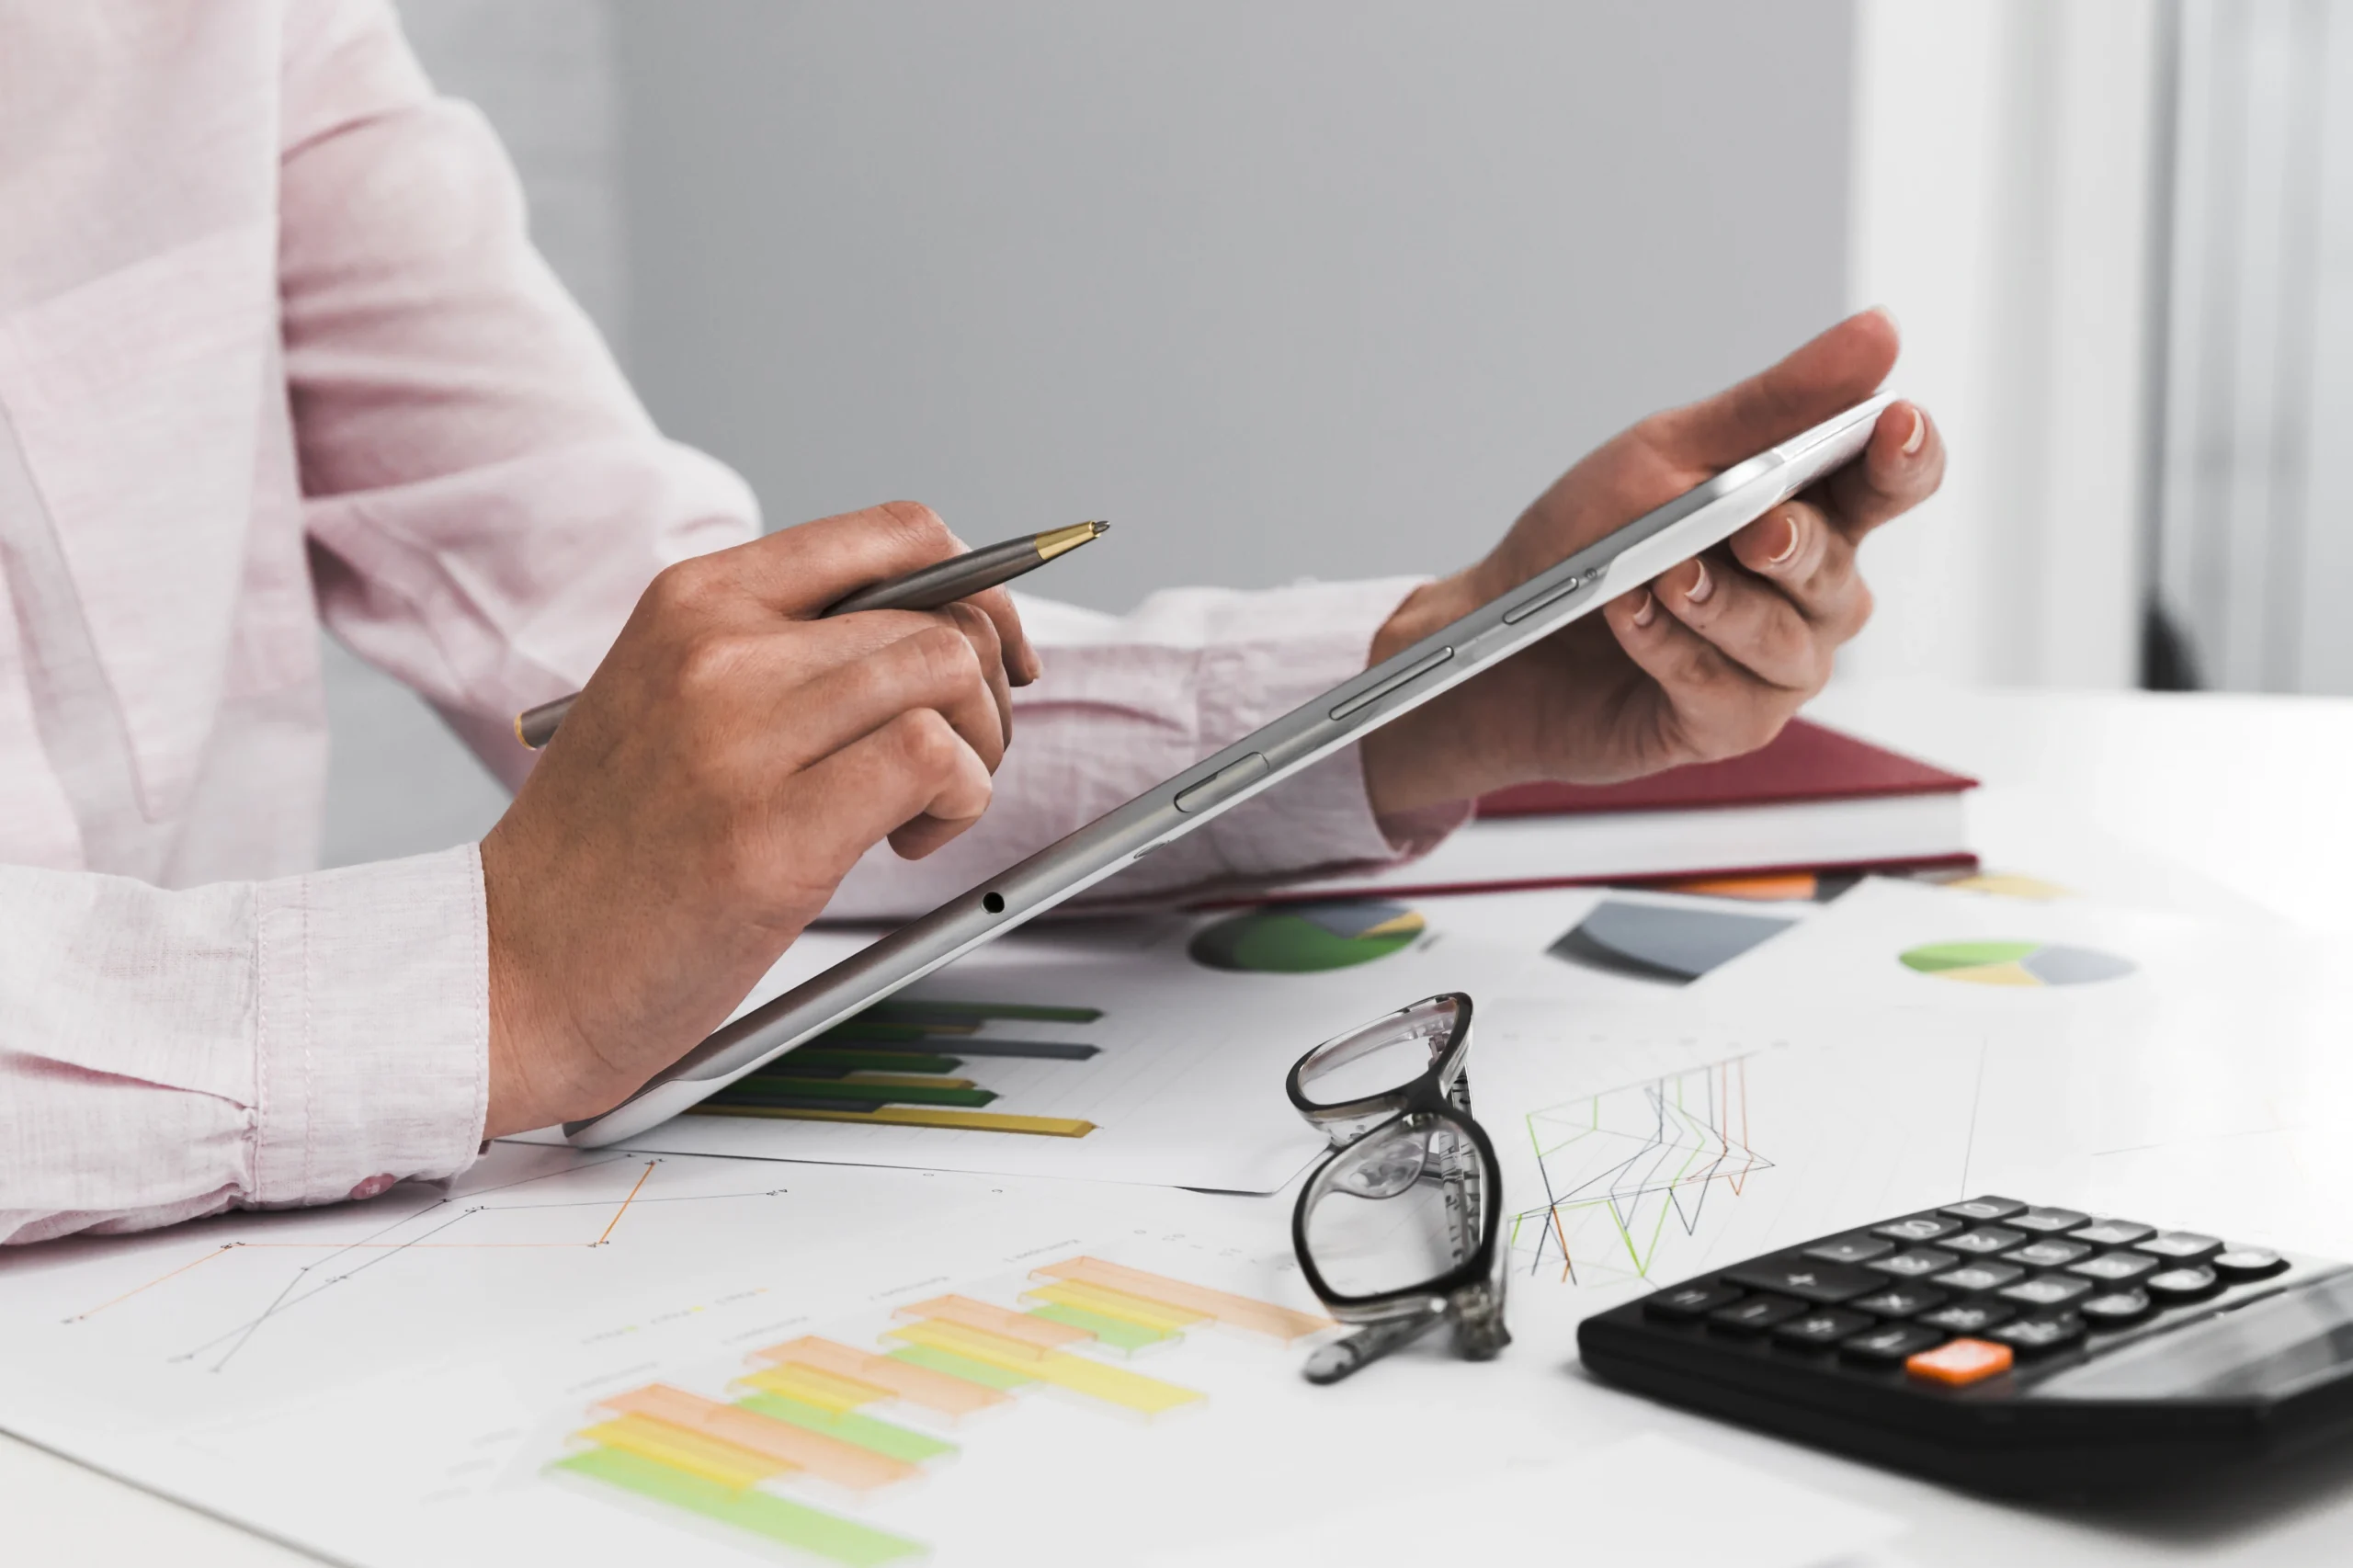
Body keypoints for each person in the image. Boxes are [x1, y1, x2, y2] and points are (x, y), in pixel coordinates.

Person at [0, 3, 1943, 1245]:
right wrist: (497, 983)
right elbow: (569, 918)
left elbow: (637, 644)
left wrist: (1429, 678)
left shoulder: (228, 31)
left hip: (208, 1288)